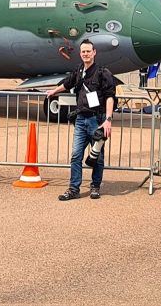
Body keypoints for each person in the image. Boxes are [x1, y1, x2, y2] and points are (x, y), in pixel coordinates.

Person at [46, 39, 115, 201]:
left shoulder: (103, 73)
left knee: (97, 156)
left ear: (94, 52)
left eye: (88, 51)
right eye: (83, 51)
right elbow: (67, 83)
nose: (85, 54)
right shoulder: (79, 71)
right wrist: (53, 92)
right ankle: (73, 189)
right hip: (81, 119)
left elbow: (110, 97)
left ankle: (95, 186)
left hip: (97, 119)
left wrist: (108, 120)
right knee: (76, 155)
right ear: (80, 53)